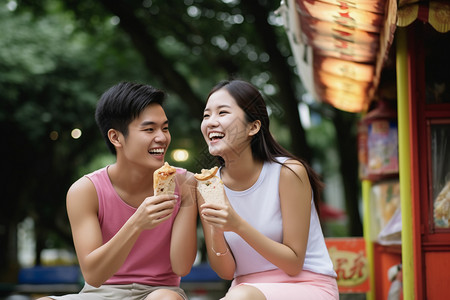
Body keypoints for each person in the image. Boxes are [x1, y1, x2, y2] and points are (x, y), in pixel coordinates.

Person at [37, 82, 198, 300]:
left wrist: (187, 199)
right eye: (149, 129)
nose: (162, 137)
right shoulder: (85, 190)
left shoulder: (184, 183)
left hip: (159, 292)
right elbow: (94, 276)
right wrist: (137, 223)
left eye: (165, 128)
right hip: (99, 294)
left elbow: (181, 267)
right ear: (115, 137)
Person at [198, 79, 338, 300]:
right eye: (206, 116)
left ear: (253, 126)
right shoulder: (207, 184)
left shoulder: (288, 172)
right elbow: (226, 272)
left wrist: (237, 225)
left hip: (307, 284)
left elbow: (293, 263)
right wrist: (216, 230)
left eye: (222, 113)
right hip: (244, 289)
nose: (211, 122)